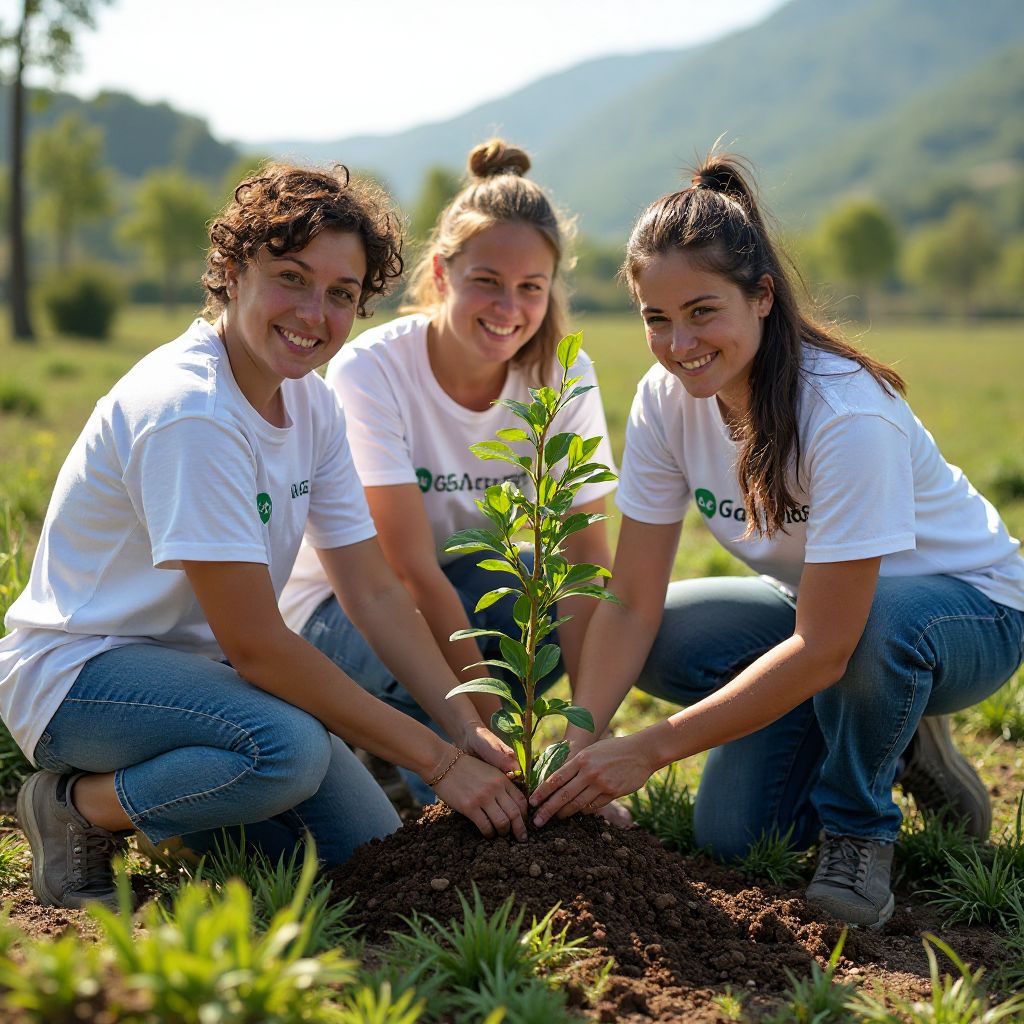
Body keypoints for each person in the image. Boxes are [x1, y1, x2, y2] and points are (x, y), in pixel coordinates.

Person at [0, 163, 532, 912]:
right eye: (292, 277)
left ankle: (176, 810)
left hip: (209, 685)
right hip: (82, 678)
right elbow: (257, 643)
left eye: (342, 294)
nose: (314, 313)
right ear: (229, 271)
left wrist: (466, 724)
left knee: (365, 856)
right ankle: (76, 809)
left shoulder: (310, 404)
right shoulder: (192, 411)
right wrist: (440, 766)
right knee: (289, 752)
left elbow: (375, 589)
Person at [528, 154, 1024, 928]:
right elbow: (628, 601)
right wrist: (581, 740)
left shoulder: (844, 416)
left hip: (965, 617)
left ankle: (861, 828)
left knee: (874, 634)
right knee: (729, 830)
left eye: (702, 311)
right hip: (821, 614)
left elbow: (826, 644)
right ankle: (882, 730)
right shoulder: (666, 400)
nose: (678, 342)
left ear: (761, 297)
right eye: (656, 319)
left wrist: (651, 749)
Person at [280, 140, 617, 804]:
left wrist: (587, 743)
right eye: (486, 281)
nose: (508, 307)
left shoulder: (561, 371)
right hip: (342, 606)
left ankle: (403, 750)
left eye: (531, 288)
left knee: (542, 594)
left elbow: (585, 564)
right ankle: (439, 777)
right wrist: (493, 739)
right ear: (441, 272)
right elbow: (405, 573)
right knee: (431, 667)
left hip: (458, 584)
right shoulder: (372, 370)